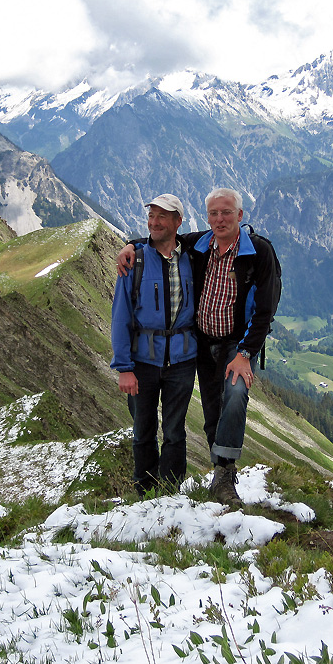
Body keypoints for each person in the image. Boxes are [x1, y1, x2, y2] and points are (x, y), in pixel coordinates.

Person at [118, 187, 280, 505]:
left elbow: (266, 309)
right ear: (207, 218)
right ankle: (198, 483)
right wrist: (132, 245)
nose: (220, 219)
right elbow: (161, 238)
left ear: (240, 216)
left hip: (236, 346)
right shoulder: (199, 244)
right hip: (203, 346)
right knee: (211, 416)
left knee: (234, 396)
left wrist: (246, 354)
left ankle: (223, 476)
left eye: (227, 212)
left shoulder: (259, 252)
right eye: (214, 214)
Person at [111, 194, 198, 497]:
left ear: (178, 221)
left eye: (163, 216)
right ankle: (144, 493)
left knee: (175, 431)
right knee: (143, 430)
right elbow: (121, 315)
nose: (154, 222)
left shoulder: (193, 257)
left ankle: (171, 492)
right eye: (151, 215)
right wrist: (124, 367)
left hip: (183, 360)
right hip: (142, 362)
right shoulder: (134, 262)